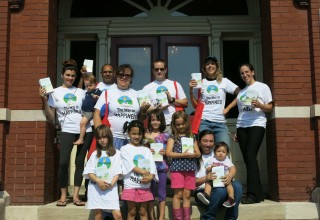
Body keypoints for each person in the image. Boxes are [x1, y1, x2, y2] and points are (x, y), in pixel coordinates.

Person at [39, 59, 91, 206]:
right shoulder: (54, 92)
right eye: (68, 75)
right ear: (62, 75)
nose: (70, 78)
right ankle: (63, 196)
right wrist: (44, 99)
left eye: (73, 76)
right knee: (63, 163)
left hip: (84, 130)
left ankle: (75, 196)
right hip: (67, 130)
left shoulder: (81, 92)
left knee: (80, 162)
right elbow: (51, 116)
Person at [226, 63, 273, 204]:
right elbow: (241, 112)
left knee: (251, 155)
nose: (244, 75)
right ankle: (258, 193)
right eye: (242, 73)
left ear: (252, 72)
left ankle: (252, 194)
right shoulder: (242, 92)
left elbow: (270, 107)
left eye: (247, 72)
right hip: (242, 127)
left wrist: (260, 105)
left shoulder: (262, 87)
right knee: (248, 159)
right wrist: (237, 133)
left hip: (257, 124)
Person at [94, 64, 150, 150]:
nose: (124, 77)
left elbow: (141, 119)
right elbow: (96, 114)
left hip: (133, 140)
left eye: (127, 75)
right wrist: (100, 135)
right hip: (112, 139)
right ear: (116, 76)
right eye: (121, 74)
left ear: (131, 78)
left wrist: (143, 112)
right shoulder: (107, 93)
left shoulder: (137, 94)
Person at [189, 56, 240, 146]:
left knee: (224, 151)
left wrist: (228, 108)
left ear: (217, 66)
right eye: (207, 64)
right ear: (204, 67)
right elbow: (195, 106)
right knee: (205, 151)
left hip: (220, 122)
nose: (210, 66)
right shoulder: (200, 82)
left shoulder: (224, 81)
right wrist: (191, 90)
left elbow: (241, 93)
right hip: (204, 121)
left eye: (212, 63)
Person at [195, 130, 242, 220]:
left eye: (211, 141)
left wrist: (230, 176)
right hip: (203, 193)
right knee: (221, 191)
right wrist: (206, 178)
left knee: (238, 186)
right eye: (205, 141)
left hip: (222, 186)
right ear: (199, 141)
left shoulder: (219, 152)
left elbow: (232, 167)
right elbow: (190, 183)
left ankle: (231, 218)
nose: (208, 144)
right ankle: (208, 218)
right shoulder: (195, 157)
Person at [165, 111, 201, 220]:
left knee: (187, 194)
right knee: (178, 194)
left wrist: (194, 154)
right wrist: (182, 154)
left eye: (182, 124)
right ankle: (178, 218)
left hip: (190, 169)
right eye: (178, 124)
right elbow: (168, 153)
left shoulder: (192, 136)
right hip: (177, 169)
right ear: (174, 124)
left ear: (187, 123)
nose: (180, 126)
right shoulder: (172, 137)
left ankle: (186, 217)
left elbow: (198, 153)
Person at [120, 120, 158, 220]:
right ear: (129, 134)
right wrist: (144, 172)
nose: (136, 136)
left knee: (143, 212)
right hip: (130, 186)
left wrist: (151, 176)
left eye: (139, 134)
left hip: (144, 186)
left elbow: (152, 165)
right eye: (134, 134)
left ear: (143, 135)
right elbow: (130, 165)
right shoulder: (124, 149)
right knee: (131, 212)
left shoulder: (146, 150)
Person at [83, 125, 122, 220]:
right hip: (96, 188)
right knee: (98, 215)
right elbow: (89, 172)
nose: (102, 140)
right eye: (99, 138)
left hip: (111, 188)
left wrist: (111, 184)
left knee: (117, 215)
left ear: (109, 137)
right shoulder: (94, 154)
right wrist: (99, 181)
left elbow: (118, 172)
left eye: (104, 137)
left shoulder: (116, 153)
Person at [143, 59, 188, 130]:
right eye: (156, 69)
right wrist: (156, 108)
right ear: (153, 71)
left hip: (172, 125)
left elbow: (185, 103)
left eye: (162, 69)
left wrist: (172, 100)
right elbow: (144, 110)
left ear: (165, 70)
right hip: (155, 126)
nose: (159, 71)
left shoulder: (174, 84)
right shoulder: (147, 88)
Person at [144, 109, 170, 220]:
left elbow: (169, 151)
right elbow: (141, 151)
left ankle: (161, 217)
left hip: (162, 168)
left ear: (162, 121)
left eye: (158, 120)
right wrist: (147, 150)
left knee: (162, 194)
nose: (155, 122)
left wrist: (165, 153)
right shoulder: (145, 134)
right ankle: (151, 216)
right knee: (150, 194)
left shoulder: (166, 136)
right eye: (153, 120)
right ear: (149, 121)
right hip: (149, 169)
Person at [196, 142, 236, 208]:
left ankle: (231, 198)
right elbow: (207, 170)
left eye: (223, 152)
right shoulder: (212, 160)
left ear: (226, 154)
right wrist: (211, 168)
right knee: (208, 182)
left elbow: (233, 168)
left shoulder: (227, 161)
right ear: (214, 152)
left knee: (229, 184)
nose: (221, 153)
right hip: (214, 178)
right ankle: (206, 195)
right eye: (218, 151)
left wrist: (229, 176)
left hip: (224, 178)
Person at [74, 74, 102, 145]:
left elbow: (102, 100)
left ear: (96, 84)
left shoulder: (97, 91)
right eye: (87, 86)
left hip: (89, 112)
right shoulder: (86, 92)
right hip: (83, 111)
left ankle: (81, 139)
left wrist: (97, 97)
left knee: (82, 123)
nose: (88, 87)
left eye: (90, 85)